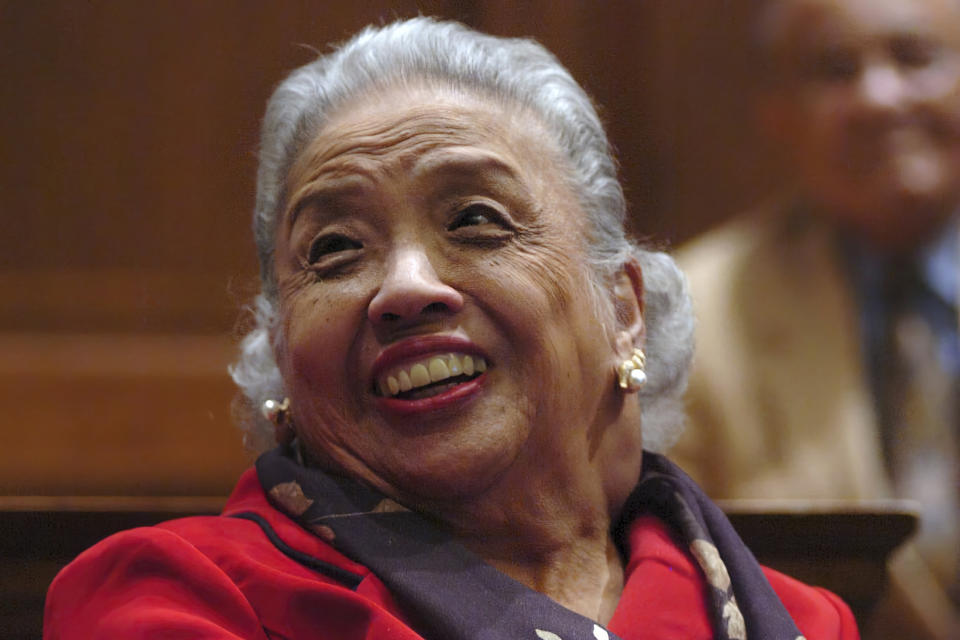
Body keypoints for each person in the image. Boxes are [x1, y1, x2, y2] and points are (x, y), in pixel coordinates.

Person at [44, 18, 858, 640]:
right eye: (333, 251)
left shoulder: (802, 621)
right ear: (282, 357)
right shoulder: (178, 596)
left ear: (623, 312)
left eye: (475, 220)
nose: (404, 287)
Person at [670, 0, 959, 637]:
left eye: (914, 58)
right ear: (778, 112)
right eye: (834, 70)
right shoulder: (693, 314)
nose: (879, 98)